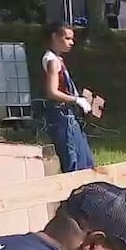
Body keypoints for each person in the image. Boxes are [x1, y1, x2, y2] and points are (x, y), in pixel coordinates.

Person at [41, 22, 96, 173]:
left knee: (84, 159)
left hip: (68, 115)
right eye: (67, 38)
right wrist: (76, 100)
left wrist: (81, 97)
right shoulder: (52, 61)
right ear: (54, 37)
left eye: (72, 39)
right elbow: (52, 92)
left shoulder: (58, 59)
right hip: (62, 116)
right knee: (74, 162)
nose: (71, 42)